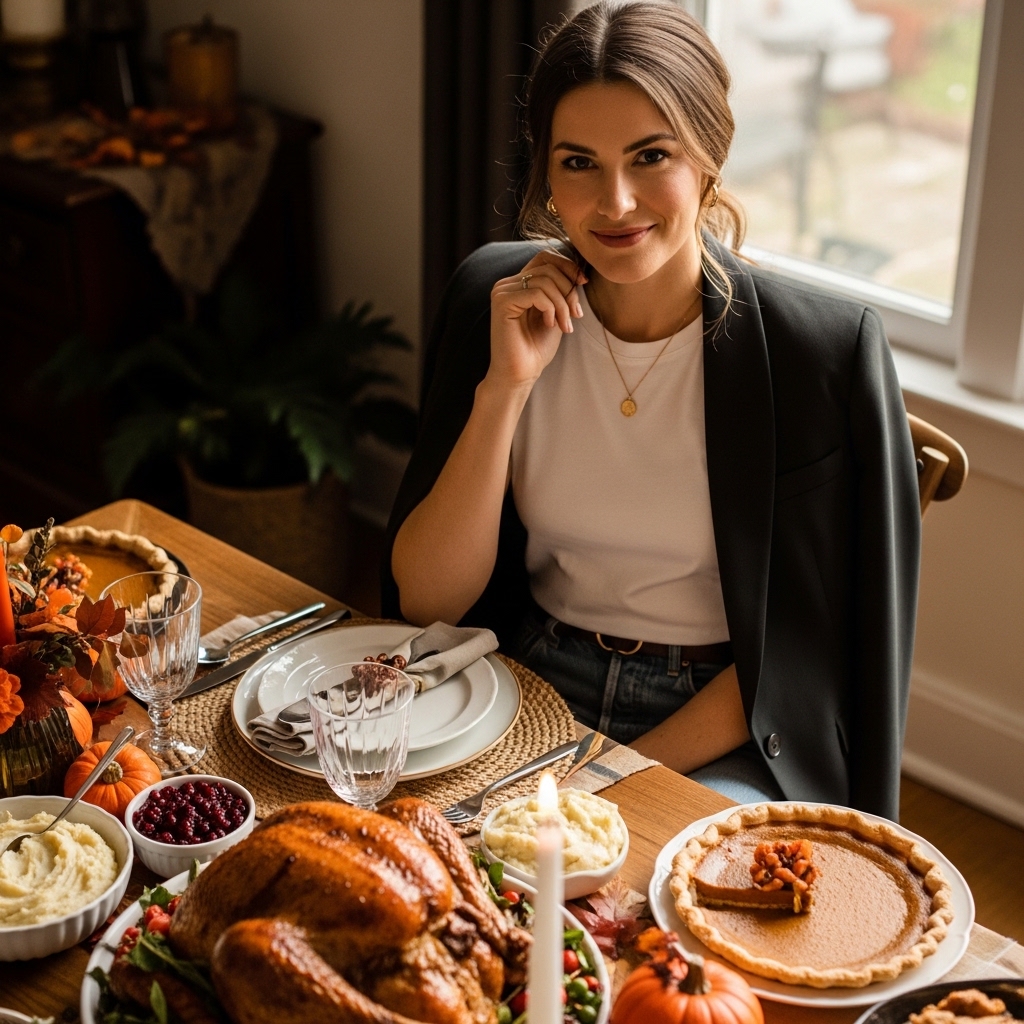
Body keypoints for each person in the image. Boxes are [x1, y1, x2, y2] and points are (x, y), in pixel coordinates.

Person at [383, 1, 919, 820]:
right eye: (579, 162)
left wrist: (603, 774)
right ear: (546, 174)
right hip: (520, 682)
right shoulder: (493, 302)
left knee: (659, 908)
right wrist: (505, 391)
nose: (617, 202)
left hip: (718, 725)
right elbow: (428, 600)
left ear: (709, 155)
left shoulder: (821, 352)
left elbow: (802, 653)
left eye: (651, 156)